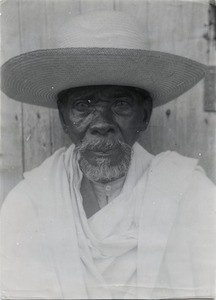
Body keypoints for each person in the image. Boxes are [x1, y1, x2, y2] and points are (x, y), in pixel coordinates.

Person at [0, 10, 215, 300]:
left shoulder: (192, 196)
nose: (101, 123)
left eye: (121, 103)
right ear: (64, 119)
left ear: (145, 115)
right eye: (83, 105)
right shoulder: (29, 204)